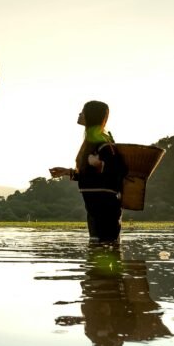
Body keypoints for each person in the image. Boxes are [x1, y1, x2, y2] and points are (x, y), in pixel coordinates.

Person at [50, 100, 127, 244]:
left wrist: (99, 164)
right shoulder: (90, 141)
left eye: (83, 112)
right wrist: (68, 172)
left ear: (91, 115)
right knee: (96, 246)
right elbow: (90, 174)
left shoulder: (103, 141)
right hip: (93, 205)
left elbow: (117, 170)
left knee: (108, 245)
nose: (79, 114)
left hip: (106, 204)